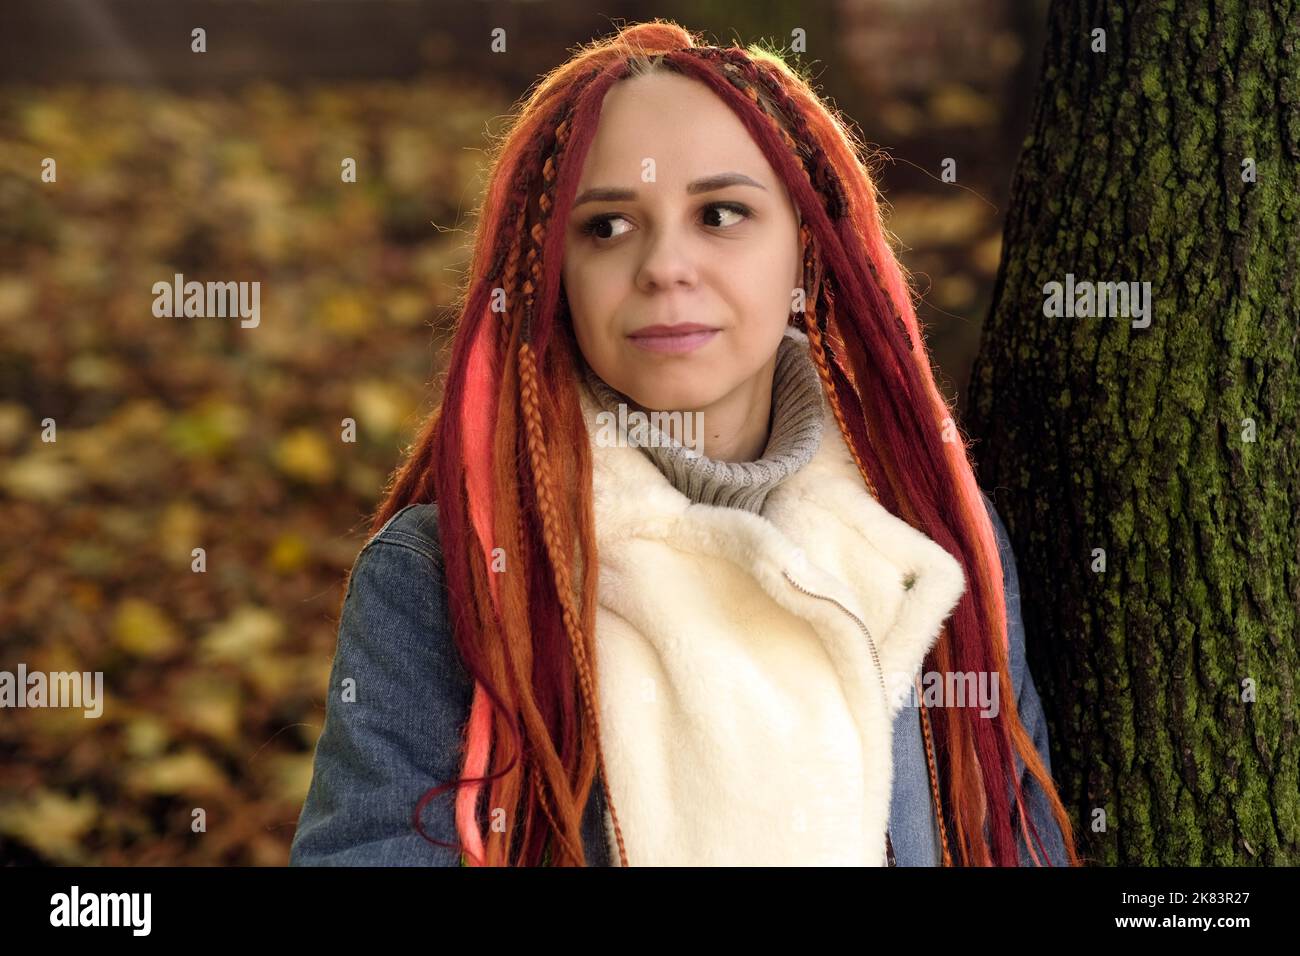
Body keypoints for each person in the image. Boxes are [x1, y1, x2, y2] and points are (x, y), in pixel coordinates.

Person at [290, 21, 1079, 867]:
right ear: (554, 276)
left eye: (721, 213)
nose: (665, 265)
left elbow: (1015, 840)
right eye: (606, 227)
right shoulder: (452, 571)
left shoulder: (935, 539)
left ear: (806, 257)